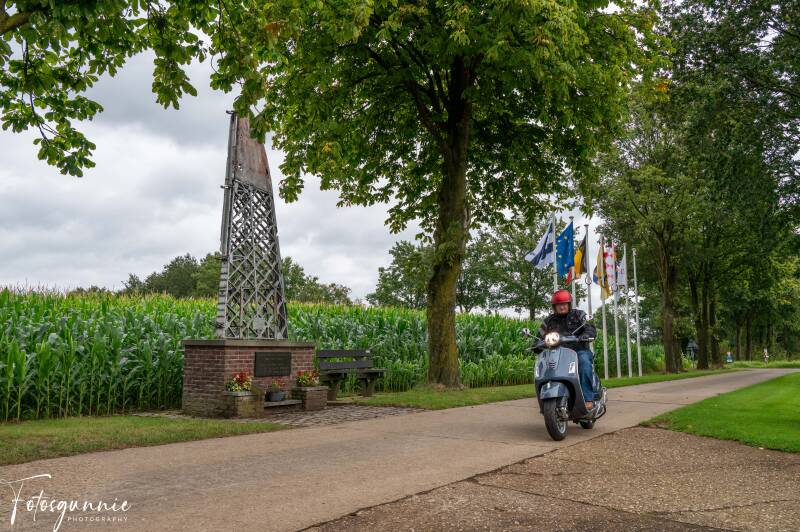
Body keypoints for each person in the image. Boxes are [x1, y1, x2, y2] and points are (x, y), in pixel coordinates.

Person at [537, 289, 598, 409]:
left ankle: (587, 398)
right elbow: (539, 336)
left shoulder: (578, 315)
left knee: (584, 362)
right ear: (554, 306)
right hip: (557, 354)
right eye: (559, 305)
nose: (562, 307)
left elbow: (589, 327)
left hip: (579, 350)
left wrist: (586, 335)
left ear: (569, 305)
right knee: (543, 367)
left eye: (564, 304)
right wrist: (537, 344)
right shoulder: (548, 321)